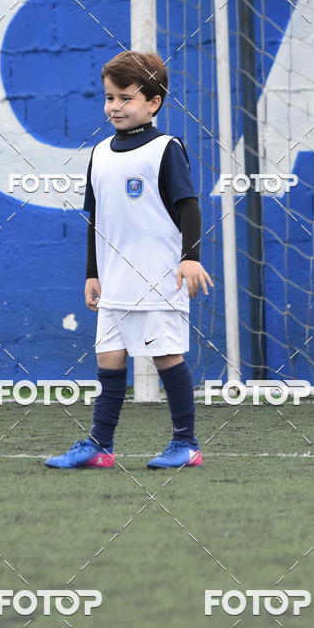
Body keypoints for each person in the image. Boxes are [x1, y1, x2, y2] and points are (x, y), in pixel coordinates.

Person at [45, 50, 213, 469]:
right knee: (109, 359)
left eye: (125, 98)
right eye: (109, 97)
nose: (115, 107)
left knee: (166, 357)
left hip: (159, 278)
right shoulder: (100, 152)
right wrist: (92, 274)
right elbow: (96, 219)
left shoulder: (166, 148)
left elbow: (189, 206)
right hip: (115, 282)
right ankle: (100, 446)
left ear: (153, 103)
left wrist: (190, 258)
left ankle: (186, 444)